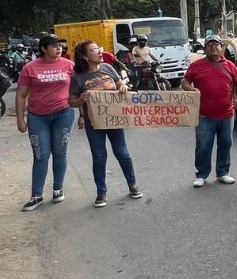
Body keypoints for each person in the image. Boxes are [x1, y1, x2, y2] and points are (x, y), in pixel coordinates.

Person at [68, 40, 143, 207]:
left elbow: (119, 84)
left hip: (114, 119)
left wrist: (122, 86)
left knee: (122, 153)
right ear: (85, 56)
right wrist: (81, 99)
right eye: (95, 50)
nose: (100, 52)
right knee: (99, 156)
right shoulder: (78, 78)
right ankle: (101, 193)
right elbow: (71, 102)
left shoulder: (108, 68)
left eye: (99, 49)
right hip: (94, 123)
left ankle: (133, 185)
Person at [15, 34, 75, 211]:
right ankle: (36, 195)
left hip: (63, 114)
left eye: (60, 46)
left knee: (60, 152)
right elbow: (21, 94)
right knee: (40, 154)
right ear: (43, 48)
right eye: (54, 46)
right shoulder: (30, 68)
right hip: (37, 116)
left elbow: (82, 85)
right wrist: (20, 119)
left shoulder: (69, 65)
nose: (59, 49)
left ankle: (58, 189)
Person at [182, 35, 237, 187]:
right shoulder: (196, 66)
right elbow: (185, 81)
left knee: (226, 143)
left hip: (227, 114)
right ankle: (201, 174)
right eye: (209, 45)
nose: (213, 47)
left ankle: (223, 172)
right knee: (203, 146)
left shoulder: (229, 65)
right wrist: (191, 89)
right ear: (205, 49)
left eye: (216, 45)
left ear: (221, 48)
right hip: (204, 116)